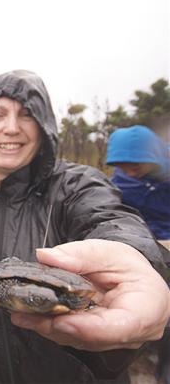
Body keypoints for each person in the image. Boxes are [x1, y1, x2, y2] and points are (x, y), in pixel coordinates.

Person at [0, 70, 170, 383]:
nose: (12, 128)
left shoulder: (77, 185)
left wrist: (135, 255)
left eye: (27, 114)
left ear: (44, 127)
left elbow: (111, 219)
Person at [106, 125, 170, 383]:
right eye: (124, 164)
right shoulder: (118, 185)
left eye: (137, 164)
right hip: (143, 248)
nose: (130, 170)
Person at [106, 125, 170, 240]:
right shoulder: (119, 185)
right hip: (145, 240)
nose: (130, 174)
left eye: (136, 168)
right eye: (123, 168)